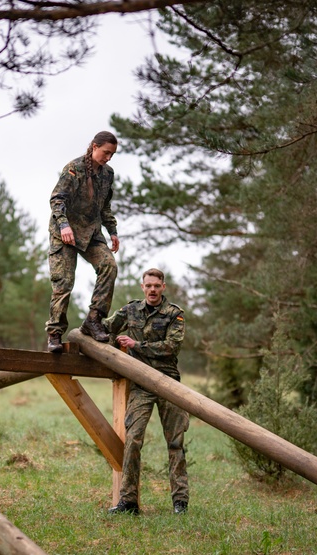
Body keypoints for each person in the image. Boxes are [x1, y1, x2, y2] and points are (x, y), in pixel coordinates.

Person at [105, 269, 190, 515]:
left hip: (168, 383)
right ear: (142, 287)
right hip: (140, 384)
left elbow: (172, 347)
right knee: (132, 440)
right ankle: (128, 502)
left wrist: (136, 345)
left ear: (163, 287)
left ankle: (180, 502)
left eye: (157, 285)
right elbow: (106, 328)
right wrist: (112, 343)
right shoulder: (130, 310)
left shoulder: (175, 315)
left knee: (175, 443)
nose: (152, 290)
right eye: (148, 285)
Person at [45, 131, 120, 353]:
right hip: (65, 232)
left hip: (91, 232)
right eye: (106, 152)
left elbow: (104, 206)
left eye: (112, 154)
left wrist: (113, 231)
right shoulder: (74, 168)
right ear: (94, 147)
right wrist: (63, 225)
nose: (108, 157)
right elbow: (57, 199)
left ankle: (93, 320)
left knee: (109, 266)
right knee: (64, 282)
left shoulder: (108, 174)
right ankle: (55, 334)